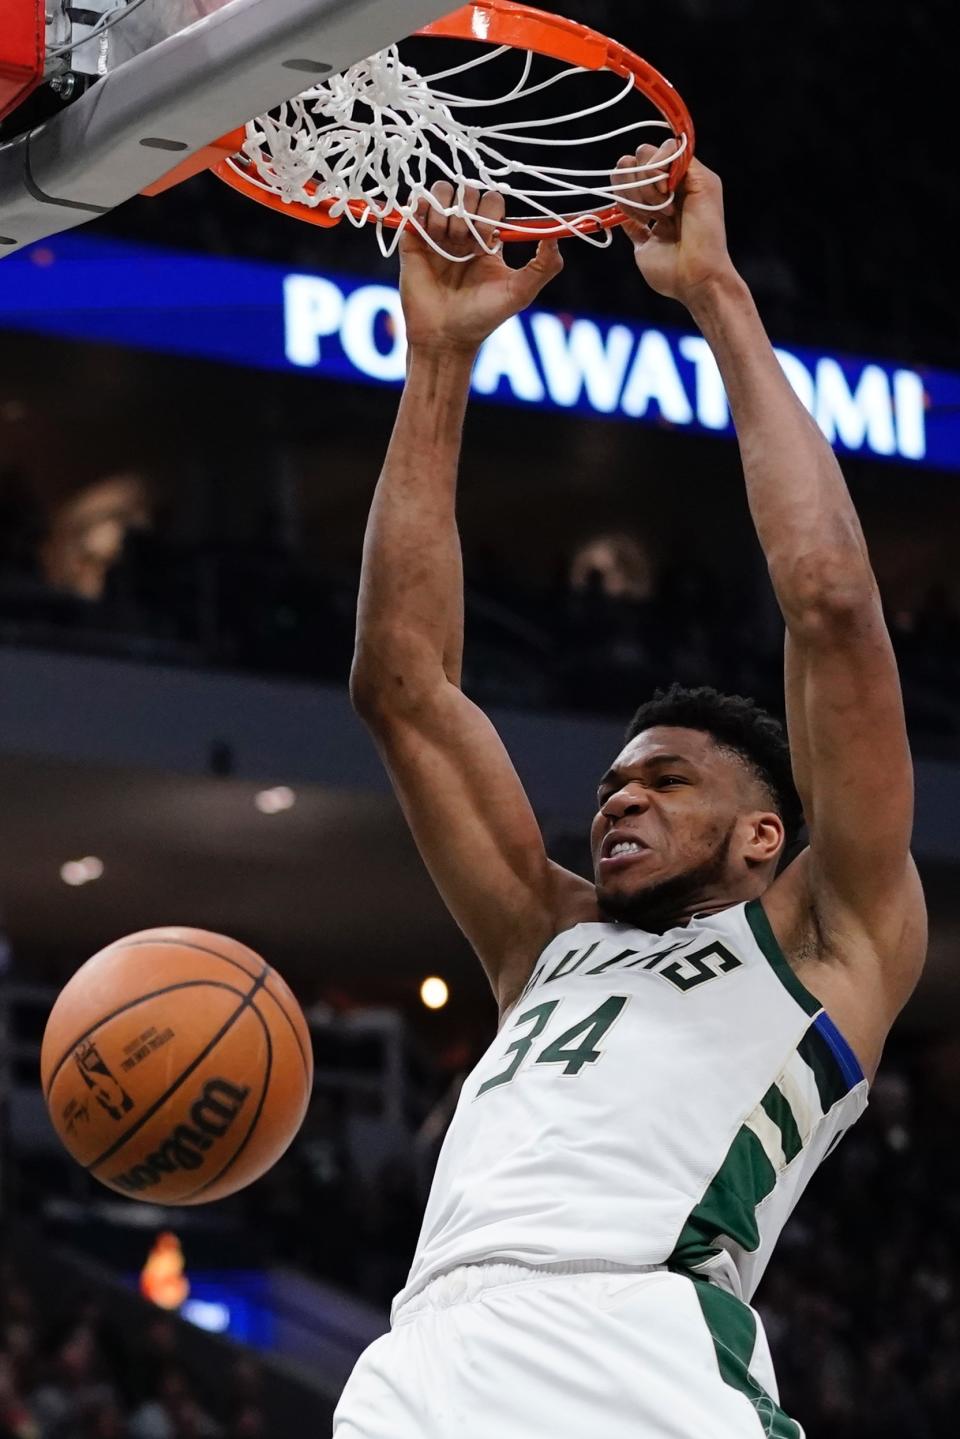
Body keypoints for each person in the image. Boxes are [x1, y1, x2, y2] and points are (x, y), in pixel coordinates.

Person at [339, 143, 927, 1439]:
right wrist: (437, 363)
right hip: (423, 1355)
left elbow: (831, 608)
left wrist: (718, 295)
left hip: (633, 1351)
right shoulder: (546, 941)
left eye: (666, 780)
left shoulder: (829, 940)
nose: (619, 798)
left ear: (766, 833)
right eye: (612, 782)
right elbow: (403, 688)